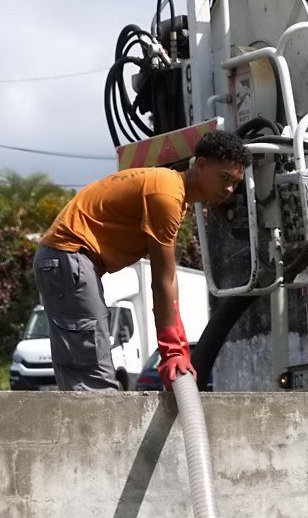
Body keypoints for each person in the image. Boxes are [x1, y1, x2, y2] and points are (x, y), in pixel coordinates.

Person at [32, 131, 248, 391]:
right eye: (224, 178)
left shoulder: (172, 192)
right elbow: (163, 280)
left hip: (67, 260)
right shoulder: (167, 196)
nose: (228, 189)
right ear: (200, 165)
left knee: (84, 365)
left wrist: (177, 348)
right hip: (70, 257)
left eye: (235, 183)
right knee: (92, 374)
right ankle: (106, 431)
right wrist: (172, 350)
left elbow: (168, 281)